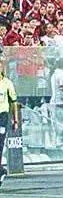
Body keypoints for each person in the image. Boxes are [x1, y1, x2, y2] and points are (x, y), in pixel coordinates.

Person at [0, 58, 19, 186]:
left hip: (2, 115)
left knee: (0, 143)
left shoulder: (7, 83)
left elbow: (13, 102)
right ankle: (1, 170)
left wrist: (15, 119)